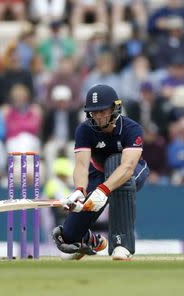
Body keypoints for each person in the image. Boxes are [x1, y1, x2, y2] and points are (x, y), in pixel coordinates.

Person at [52, 84, 150, 261]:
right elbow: (82, 165)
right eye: (94, 112)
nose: (98, 116)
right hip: (97, 173)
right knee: (69, 236)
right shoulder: (84, 129)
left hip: (133, 171)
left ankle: (122, 244)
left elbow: (128, 167)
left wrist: (104, 190)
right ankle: (88, 240)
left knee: (117, 170)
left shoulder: (131, 128)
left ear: (114, 108)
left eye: (102, 111)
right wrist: (79, 191)